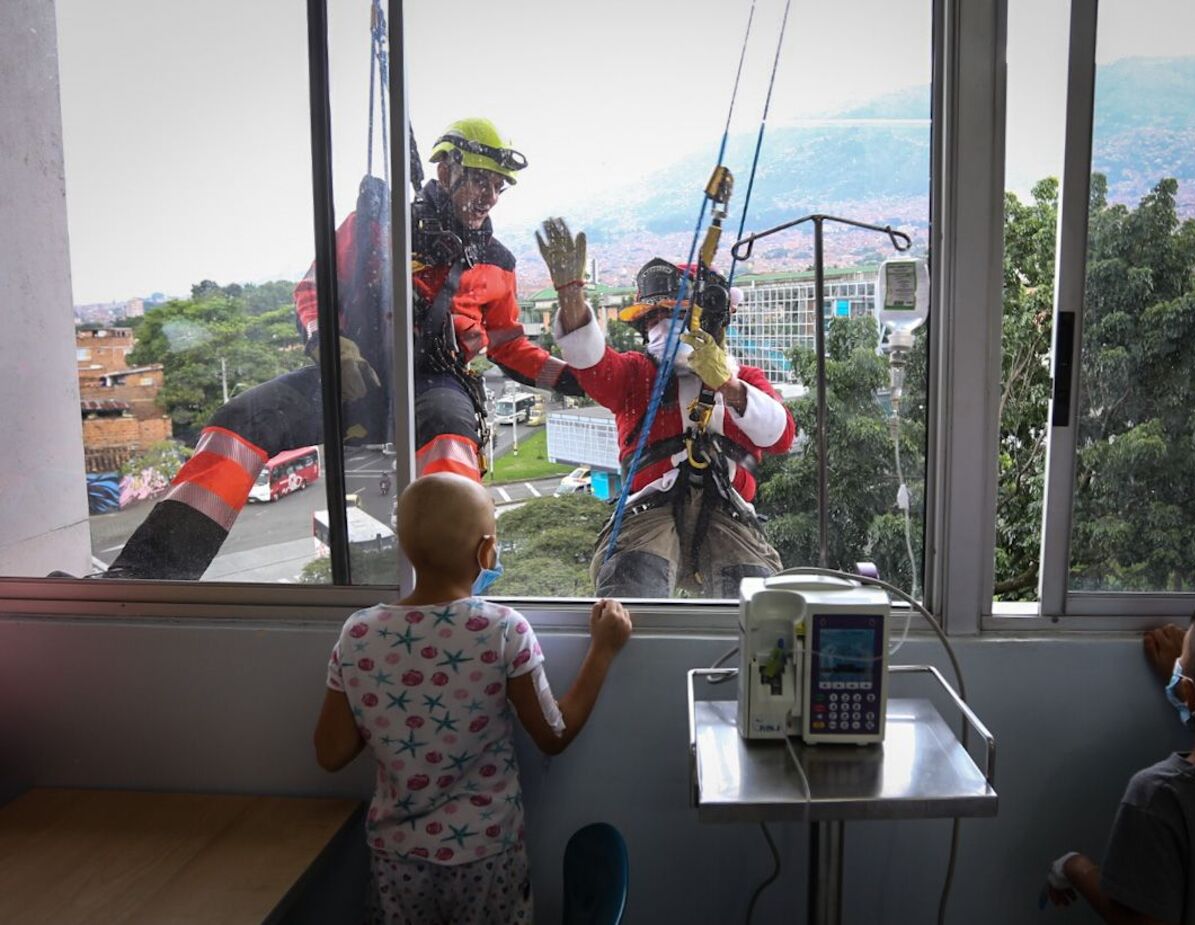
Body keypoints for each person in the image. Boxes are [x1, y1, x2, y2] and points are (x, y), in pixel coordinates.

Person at [102, 118, 579, 580]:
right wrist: (331, 345)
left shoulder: (496, 263)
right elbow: (313, 290)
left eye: (498, 187)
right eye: (480, 181)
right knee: (238, 423)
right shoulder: (377, 226)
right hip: (355, 373)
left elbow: (509, 345)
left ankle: (455, 587)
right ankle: (146, 573)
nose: (490, 198)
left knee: (451, 440)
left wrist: (578, 376)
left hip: (435, 383)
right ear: (444, 170)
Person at [313, 472, 632, 924]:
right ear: (486, 551)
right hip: (486, 856)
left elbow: (331, 752)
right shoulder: (501, 628)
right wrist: (603, 649)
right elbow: (553, 734)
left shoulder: (359, 633)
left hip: (396, 859)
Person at [537, 218, 796, 598]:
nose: (663, 328)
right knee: (632, 586)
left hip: (729, 509)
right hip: (649, 510)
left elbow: (779, 436)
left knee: (753, 602)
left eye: (675, 316)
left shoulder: (745, 380)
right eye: (655, 319)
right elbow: (590, 360)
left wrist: (728, 386)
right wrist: (571, 295)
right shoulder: (635, 375)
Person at [1045, 593, 1195, 924]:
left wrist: (1074, 866)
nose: (1177, 662)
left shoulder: (1157, 796)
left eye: (1183, 659)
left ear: (1190, 692)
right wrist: (1193, 699)